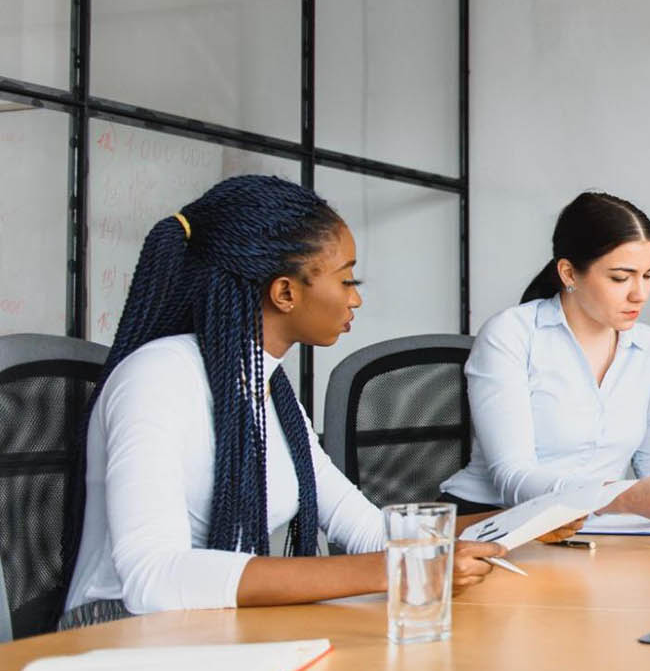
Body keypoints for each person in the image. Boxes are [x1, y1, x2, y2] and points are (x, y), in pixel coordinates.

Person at [62, 175, 506, 628]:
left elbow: (372, 533)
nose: (355, 298)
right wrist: (398, 568)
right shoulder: (157, 378)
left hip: (209, 632)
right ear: (285, 292)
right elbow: (153, 579)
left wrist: (519, 523)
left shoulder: (270, 390)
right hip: (116, 633)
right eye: (347, 279)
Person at [441, 192, 650, 521]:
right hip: (488, 522)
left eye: (647, 276)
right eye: (620, 277)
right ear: (569, 274)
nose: (640, 294)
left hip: (590, 529)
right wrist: (618, 498)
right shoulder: (511, 335)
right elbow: (512, 479)